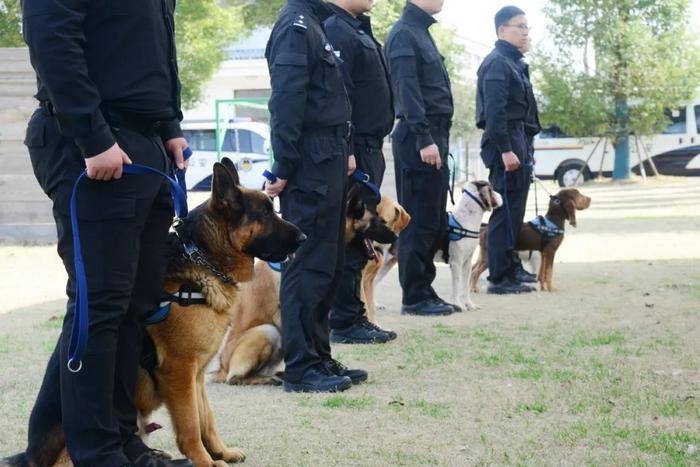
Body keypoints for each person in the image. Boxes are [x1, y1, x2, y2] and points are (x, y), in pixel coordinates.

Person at [17, 1, 192, 466]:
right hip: (93, 147)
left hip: (143, 143)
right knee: (101, 304)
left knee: (133, 303)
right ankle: (96, 451)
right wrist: (93, 137)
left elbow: (152, 48)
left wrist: (169, 125)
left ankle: (119, 441)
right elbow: (51, 37)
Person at [265, 0, 367, 392]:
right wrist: (285, 165)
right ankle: (300, 367)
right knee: (305, 265)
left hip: (329, 155)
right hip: (309, 158)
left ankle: (319, 358)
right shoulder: (296, 25)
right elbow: (286, 101)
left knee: (327, 264)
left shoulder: (314, 23)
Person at [324, 0, 396, 344]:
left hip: (370, 147)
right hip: (356, 149)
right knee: (352, 237)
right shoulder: (337, 29)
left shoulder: (356, 27)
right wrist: (349, 148)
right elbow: (342, 96)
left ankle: (353, 315)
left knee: (361, 237)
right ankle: (346, 320)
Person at [384, 0, 458, 316]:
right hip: (419, 138)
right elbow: (407, 89)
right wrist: (425, 138)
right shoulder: (404, 34)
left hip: (433, 135)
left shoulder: (420, 32)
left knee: (432, 219)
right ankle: (414, 297)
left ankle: (425, 289)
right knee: (417, 219)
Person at [476, 5, 542, 295]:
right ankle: (499, 277)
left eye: (528, 27)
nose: (526, 31)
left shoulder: (514, 62)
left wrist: (526, 146)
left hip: (519, 140)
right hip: (505, 142)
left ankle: (511, 264)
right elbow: (494, 113)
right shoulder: (498, 63)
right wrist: (505, 149)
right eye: (520, 26)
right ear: (502, 30)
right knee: (504, 211)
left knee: (515, 210)